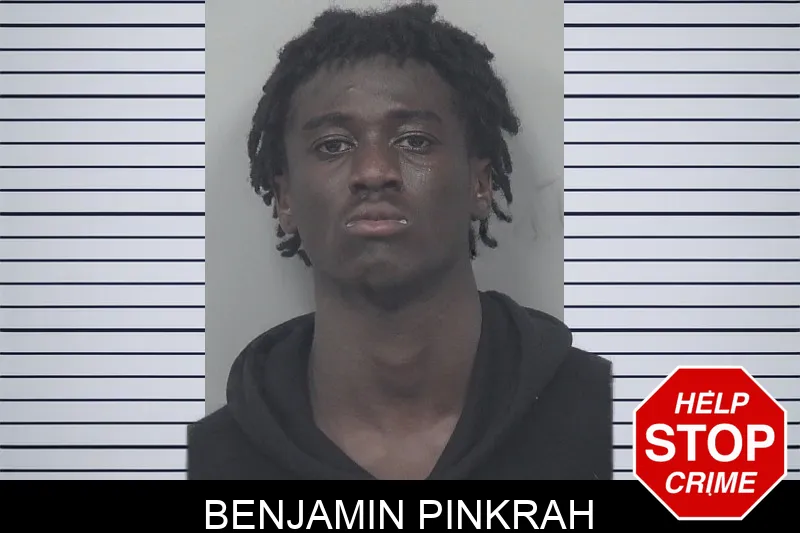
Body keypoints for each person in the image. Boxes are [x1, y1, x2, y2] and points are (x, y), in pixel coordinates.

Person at [188, 2, 612, 480]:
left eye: (415, 140)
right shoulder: (202, 467)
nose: (374, 172)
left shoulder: (630, 430)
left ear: (480, 184)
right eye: (333, 145)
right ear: (285, 199)